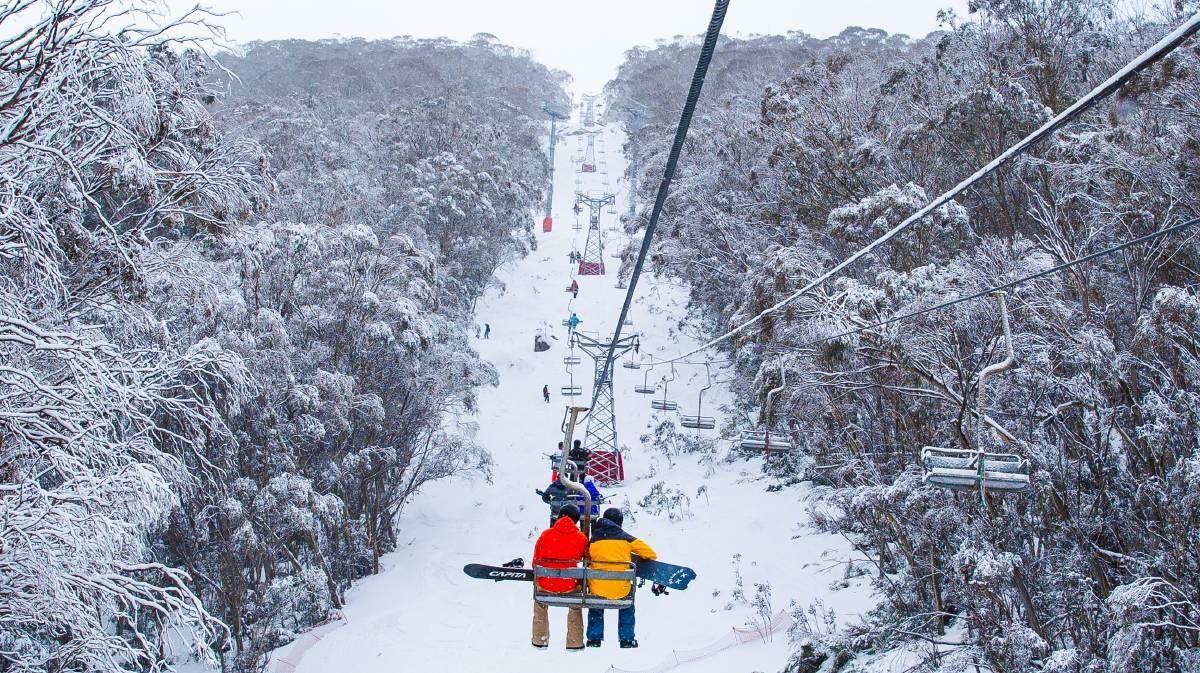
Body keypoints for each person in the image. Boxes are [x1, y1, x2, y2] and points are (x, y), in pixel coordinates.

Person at [585, 508, 656, 649]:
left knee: (596, 603)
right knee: (627, 604)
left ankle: (594, 638)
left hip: (598, 589)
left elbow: (587, 557)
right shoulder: (626, 538)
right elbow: (650, 554)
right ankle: (626, 639)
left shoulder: (593, 540)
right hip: (620, 591)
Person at [532, 504, 588, 650]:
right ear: (575, 520)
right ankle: (574, 642)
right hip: (568, 587)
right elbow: (588, 562)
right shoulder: (581, 538)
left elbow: (535, 563)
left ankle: (540, 639)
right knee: (575, 605)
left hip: (546, 586)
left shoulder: (546, 535)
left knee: (540, 604)